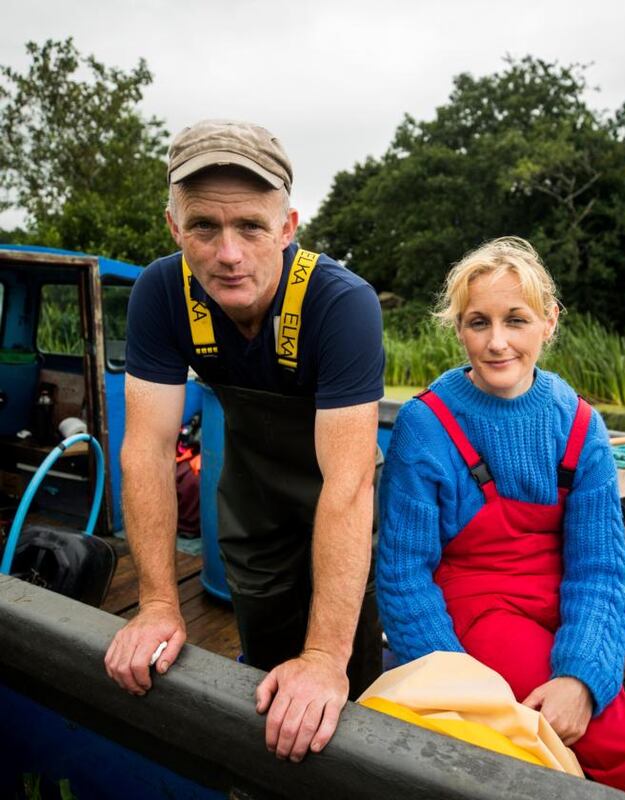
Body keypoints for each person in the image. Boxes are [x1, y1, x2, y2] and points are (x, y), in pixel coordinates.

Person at [104, 119, 384, 762]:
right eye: (204, 226)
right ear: (175, 229)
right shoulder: (159, 295)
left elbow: (348, 483)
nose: (229, 254)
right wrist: (154, 604)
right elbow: (145, 449)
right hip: (253, 505)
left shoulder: (341, 305)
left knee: (349, 675)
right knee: (261, 660)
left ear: (287, 227)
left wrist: (322, 658)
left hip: (340, 501)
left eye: (251, 227)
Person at [376, 237, 625, 798]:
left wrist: (582, 677)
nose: (497, 342)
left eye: (516, 320)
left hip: (561, 604)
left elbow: (599, 569)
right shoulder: (426, 426)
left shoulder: (581, 426)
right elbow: (402, 573)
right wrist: (454, 682)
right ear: (459, 329)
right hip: (477, 611)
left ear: (549, 322)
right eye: (479, 322)